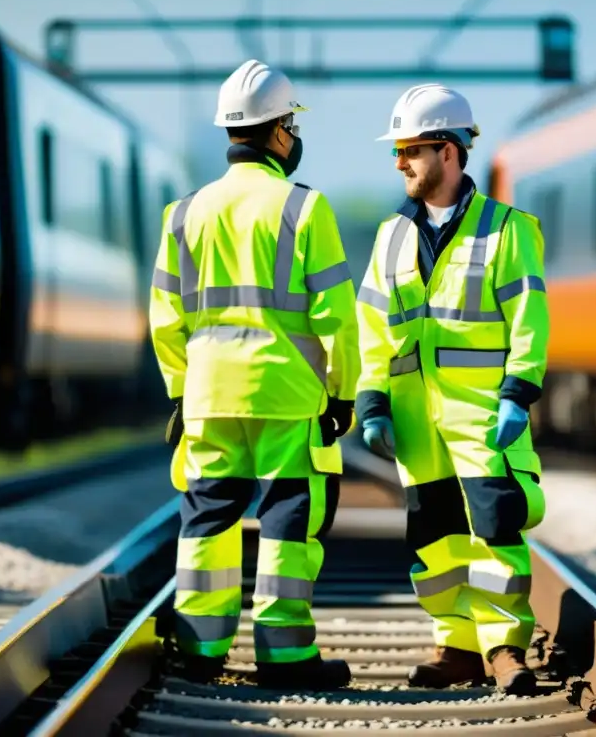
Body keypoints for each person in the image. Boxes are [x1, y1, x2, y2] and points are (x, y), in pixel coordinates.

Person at [148, 59, 360, 690]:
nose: (294, 137)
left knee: (207, 517)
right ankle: (285, 654)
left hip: (210, 395)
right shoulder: (304, 208)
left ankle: (200, 649)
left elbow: (165, 317)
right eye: (291, 125)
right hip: (286, 393)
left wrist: (181, 393)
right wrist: (341, 391)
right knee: (289, 517)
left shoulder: (183, 213)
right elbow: (337, 316)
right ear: (275, 133)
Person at [354, 84, 550, 695]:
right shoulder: (391, 235)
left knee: (494, 529)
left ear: (447, 151)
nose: (399, 162)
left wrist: (518, 393)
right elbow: (371, 328)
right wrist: (372, 401)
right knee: (434, 539)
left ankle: (504, 649)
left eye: (409, 150)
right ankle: (456, 646)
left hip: (484, 413)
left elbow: (529, 319)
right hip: (416, 422)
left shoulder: (508, 229)